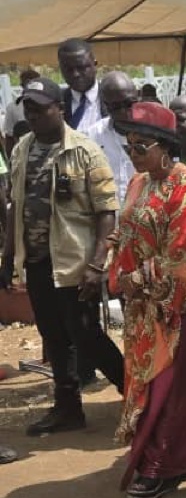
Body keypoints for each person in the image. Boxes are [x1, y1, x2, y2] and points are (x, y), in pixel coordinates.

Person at [107, 102, 186, 498]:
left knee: (172, 387)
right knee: (150, 384)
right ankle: (175, 451)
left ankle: (163, 464)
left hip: (184, 307)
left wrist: (135, 279)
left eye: (140, 146)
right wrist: (114, 263)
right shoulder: (137, 184)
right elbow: (126, 231)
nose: (132, 154)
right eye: (128, 147)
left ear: (165, 146)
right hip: (144, 309)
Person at [0, 77, 124, 435]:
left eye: (41, 108)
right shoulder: (22, 148)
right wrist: (8, 257)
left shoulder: (85, 151)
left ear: (61, 109)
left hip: (74, 264)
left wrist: (97, 263)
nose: (33, 115)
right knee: (53, 335)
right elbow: (15, 207)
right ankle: (67, 408)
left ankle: (135, 395)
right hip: (37, 262)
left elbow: (106, 211)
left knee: (87, 335)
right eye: (29, 108)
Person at [88, 72, 138, 204]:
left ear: (138, 96)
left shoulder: (154, 134)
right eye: (116, 107)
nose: (123, 112)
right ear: (105, 105)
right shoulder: (93, 136)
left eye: (128, 104)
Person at [58, 39, 103, 132]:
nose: (76, 74)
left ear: (95, 65)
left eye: (81, 67)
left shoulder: (113, 100)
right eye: (69, 69)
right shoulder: (57, 104)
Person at [3, 68, 39, 160]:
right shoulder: (13, 107)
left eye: (34, 84)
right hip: (23, 155)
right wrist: (11, 161)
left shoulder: (48, 105)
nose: (30, 87)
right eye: (27, 84)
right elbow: (9, 137)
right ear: (22, 85)